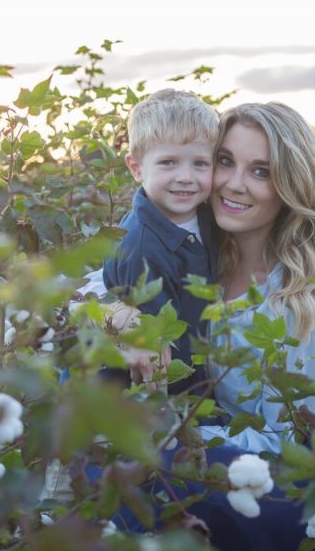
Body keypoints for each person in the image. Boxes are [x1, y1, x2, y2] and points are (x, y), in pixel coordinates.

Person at [87, 102, 315, 551]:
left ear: (289, 186)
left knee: (145, 467)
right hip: (191, 429)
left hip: (263, 471)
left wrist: (187, 446)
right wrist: (118, 315)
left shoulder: (303, 296)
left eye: (260, 171)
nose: (234, 184)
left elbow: (286, 435)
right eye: (225, 162)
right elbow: (84, 295)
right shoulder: (193, 241)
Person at [86, 89, 220, 394]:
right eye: (168, 163)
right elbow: (157, 352)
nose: (185, 176)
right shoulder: (142, 248)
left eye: (200, 163)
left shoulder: (206, 216)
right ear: (136, 168)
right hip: (166, 395)